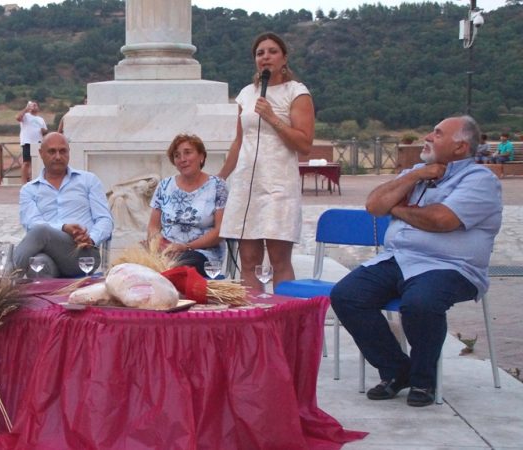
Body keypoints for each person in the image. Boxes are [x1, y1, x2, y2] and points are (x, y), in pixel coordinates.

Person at [330, 116, 502, 407]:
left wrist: (395, 209)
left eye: (437, 133)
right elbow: (374, 205)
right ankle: (397, 371)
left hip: (450, 266)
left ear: (460, 147)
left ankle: (424, 381)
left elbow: (441, 220)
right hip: (399, 258)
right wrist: (413, 177)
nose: (429, 137)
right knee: (347, 296)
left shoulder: (480, 180)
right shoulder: (417, 172)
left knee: (420, 303)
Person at [217, 32, 315, 289]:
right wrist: (221, 177)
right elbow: (239, 142)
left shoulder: (297, 92)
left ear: (284, 58)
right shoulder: (246, 94)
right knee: (248, 260)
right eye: (260, 53)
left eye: (272, 51)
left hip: (278, 186)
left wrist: (272, 117)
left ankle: (283, 321)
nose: (265, 57)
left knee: (278, 259)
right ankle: (254, 323)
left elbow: (304, 144)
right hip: (247, 185)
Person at [14, 132, 113, 278]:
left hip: (82, 254)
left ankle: (5, 279)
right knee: (39, 266)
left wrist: (91, 238)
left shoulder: (88, 181)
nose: (58, 156)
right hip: (46, 253)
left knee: (41, 231)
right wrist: (63, 228)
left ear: (69, 152)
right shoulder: (29, 190)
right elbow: (31, 224)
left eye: (63, 151)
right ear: (41, 153)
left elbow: (105, 219)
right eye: (52, 151)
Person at [148, 134, 228, 276]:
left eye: (187, 153)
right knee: (130, 263)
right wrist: (160, 246)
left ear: (201, 156)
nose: (182, 159)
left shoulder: (217, 186)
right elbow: (153, 226)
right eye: (177, 155)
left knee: (181, 265)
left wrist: (185, 247)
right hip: (166, 252)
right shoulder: (164, 185)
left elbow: (220, 231)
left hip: (201, 253)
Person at [16, 101, 48, 184]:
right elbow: (18, 118)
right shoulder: (26, 116)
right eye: (32, 105)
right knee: (26, 162)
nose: (34, 106)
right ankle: (24, 182)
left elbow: (45, 131)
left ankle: (33, 179)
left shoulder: (41, 119)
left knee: (36, 162)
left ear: (38, 108)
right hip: (27, 142)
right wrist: (26, 109)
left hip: (38, 143)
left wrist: (44, 131)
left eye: (35, 105)